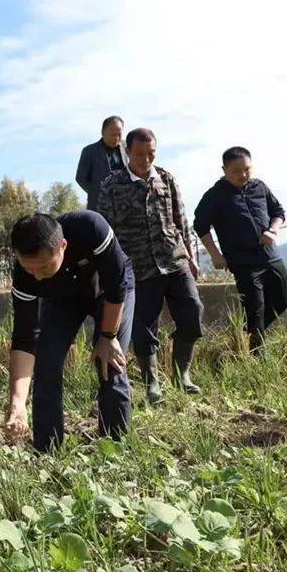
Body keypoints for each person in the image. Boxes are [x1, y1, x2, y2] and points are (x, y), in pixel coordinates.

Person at [4, 212, 135, 453]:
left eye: (44, 266)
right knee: (46, 364)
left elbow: (117, 283)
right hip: (62, 300)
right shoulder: (25, 275)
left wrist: (108, 336)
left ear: (62, 246)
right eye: (29, 269)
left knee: (110, 363)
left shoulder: (89, 228)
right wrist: (18, 403)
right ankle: (47, 449)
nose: (37, 276)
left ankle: (115, 448)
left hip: (108, 292)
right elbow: (24, 338)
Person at [97, 128, 203, 404]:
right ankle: (152, 384)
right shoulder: (112, 184)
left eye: (151, 154)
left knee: (192, 312)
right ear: (128, 152)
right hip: (137, 266)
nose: (145, 159)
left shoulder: (166, 179)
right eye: (139, 154)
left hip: (173, 259)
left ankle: (183, 376)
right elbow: (105, 229)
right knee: (144, 328)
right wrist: (111, 268)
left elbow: (181, 221)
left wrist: (191, 258)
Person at [193, 146, 287, 354]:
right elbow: (200, 226)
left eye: (247, 169)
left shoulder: (259, 187)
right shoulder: (215, 195)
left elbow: (278, 212)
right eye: (236, 171)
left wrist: (273, 230)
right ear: (224, 169)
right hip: (243, 262)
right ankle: (256, 356)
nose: (242, 175)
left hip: (270, 256)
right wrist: (216, 255)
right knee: (255, 309)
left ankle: (247, 335)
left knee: (281, 302)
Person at [76, 116, 128, 210]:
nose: (116, 138)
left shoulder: (128, 149)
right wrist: (98, 193)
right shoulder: (89, 151)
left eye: (119, 135)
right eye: (113, 135)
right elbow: (80, 178)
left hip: (125, 205)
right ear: (102, 132)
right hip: (99, 206)